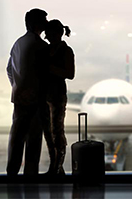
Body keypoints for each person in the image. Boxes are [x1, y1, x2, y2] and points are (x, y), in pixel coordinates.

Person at [6, 8, 48, 176]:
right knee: (34, 140)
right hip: (36, 99)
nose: (46, 23)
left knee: (16, 138)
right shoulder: (41, 46)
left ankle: (12, 173)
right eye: (44, 20)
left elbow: (9, 69)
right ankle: (30, 176)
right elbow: (45, 75)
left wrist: (17, 86)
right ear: (37, 23)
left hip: (19, 98)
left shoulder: (18, 43)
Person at [43, 19, 75, 175]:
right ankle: (55, 165)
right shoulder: (50, 50)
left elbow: (70, 74)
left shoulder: (66, 51)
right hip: (47, 95)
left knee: (56, 131)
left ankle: (56, 166)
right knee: (49, 132)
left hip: (56, 96)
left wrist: (50, 68)